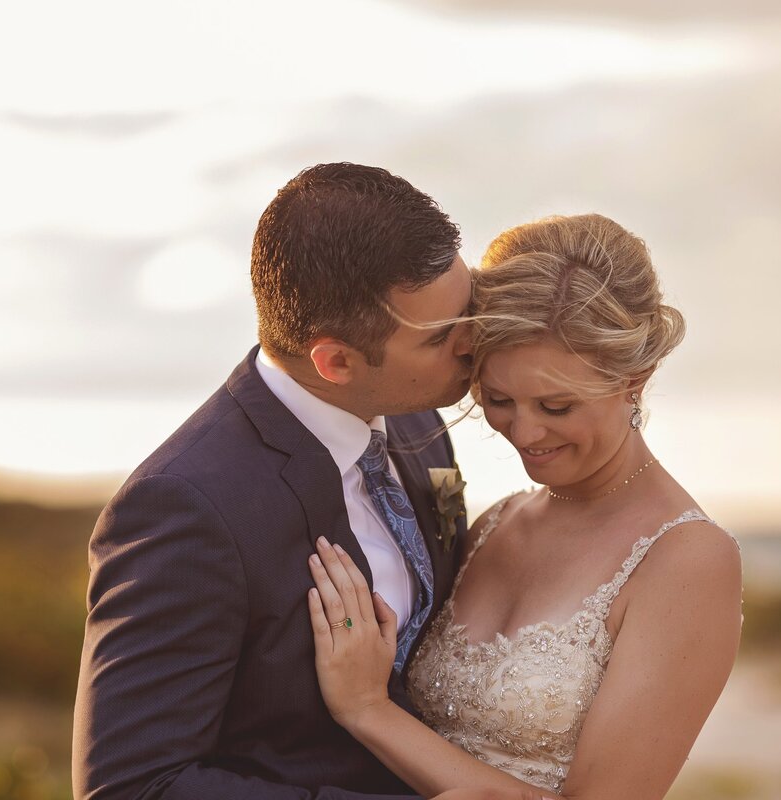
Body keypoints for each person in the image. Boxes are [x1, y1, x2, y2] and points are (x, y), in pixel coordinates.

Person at [73, 163, 550, 800]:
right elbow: (132, 787)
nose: (475, 342)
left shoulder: (417, 426)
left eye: (469, 307)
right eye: (441, 337)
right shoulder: (184, 505)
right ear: (335, 361)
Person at [306, 214, 743, 799]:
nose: (526, 432)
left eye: (557, 406)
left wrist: (367, 709)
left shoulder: (689, 560)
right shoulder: (496, 523)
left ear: (634, 380)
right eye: (500, 398)